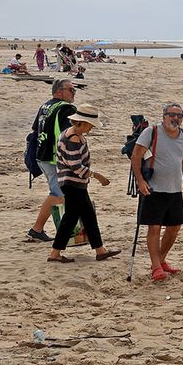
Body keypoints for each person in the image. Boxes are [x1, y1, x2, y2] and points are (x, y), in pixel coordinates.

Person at [130, 102, 183, 282]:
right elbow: (136, 156)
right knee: (154, 227)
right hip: (153, 188)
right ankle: (156, 267)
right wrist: (140, 181)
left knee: (174, 227)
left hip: (174, 189)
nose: (175, 118)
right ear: (164, 115)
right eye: (171, 114)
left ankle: (161, 259)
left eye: (179, 115)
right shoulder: (151, 132)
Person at [48, 105, 119, 263]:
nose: (91, 128)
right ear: (81, 122)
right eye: (90, 125)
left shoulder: (74, 134)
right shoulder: (73, 138)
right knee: (71, 218)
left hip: (74, 183)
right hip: (72, 183)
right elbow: (75, 166)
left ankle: (100, 250)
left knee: (88, 216)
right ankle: (55, 253)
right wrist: (96, 176)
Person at [28, 79, 79, 242]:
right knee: (58, 194)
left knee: (59, 193)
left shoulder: (45, 106)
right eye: (70, 90)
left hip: (41, 156)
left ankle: (41, 229)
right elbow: (70, 134)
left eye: (74, 90)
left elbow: (35, 129)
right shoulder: (66, 108)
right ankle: (38, 229)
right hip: (54, 157)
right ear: (58, 92)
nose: (73, 93)